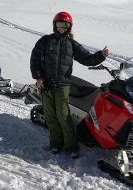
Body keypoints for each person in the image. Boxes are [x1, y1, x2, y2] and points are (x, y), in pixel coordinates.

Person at [30, 11, 109, 158]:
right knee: (50, 116)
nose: (61, 28)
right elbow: (34, 59)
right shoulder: (45, 41)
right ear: (55, 25)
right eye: (59, 24)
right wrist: (38, 77)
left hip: (63, 85)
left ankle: (71, 146)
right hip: (46, 83)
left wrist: (100, 56)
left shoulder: (71, 44)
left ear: (69, 27)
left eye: (65, 25)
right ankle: (56, 144)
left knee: (63, 115)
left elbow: (86, 58)